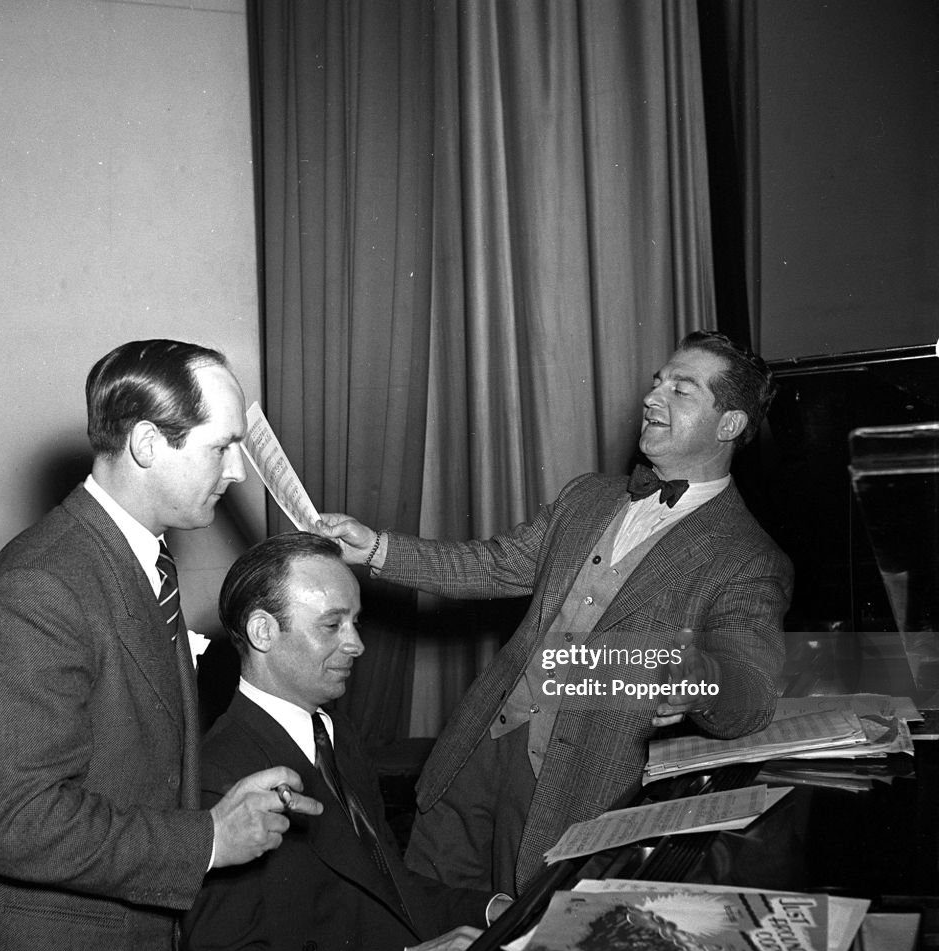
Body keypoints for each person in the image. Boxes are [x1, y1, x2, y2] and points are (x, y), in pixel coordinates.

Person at [320, 331, 794, 896]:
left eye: (681, 390)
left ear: (730, 425)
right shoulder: (588, 496)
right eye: (657, 382)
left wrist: (698, 682)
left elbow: (751, 691)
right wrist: (375, 547)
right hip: (478, 749)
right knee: (429, 921)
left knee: (520, 939)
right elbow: (493, 565)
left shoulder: (747, 557)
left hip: (575, 788)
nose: (652, 398)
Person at [0, 341, 322, 951]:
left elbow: (115, 768)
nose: (235, 474)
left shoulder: (135, 562)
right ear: (145, 443)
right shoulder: (39, 588)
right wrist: (209, 838)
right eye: (220, 447)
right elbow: (21, 823)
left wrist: (220, 803)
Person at [182, 532, 499, 951]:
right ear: (263, 632)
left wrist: (494, 911)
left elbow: (387, 886)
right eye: (332, 625)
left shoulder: (334, 733)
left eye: (354, 622)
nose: (356, 645)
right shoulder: (222, 775)